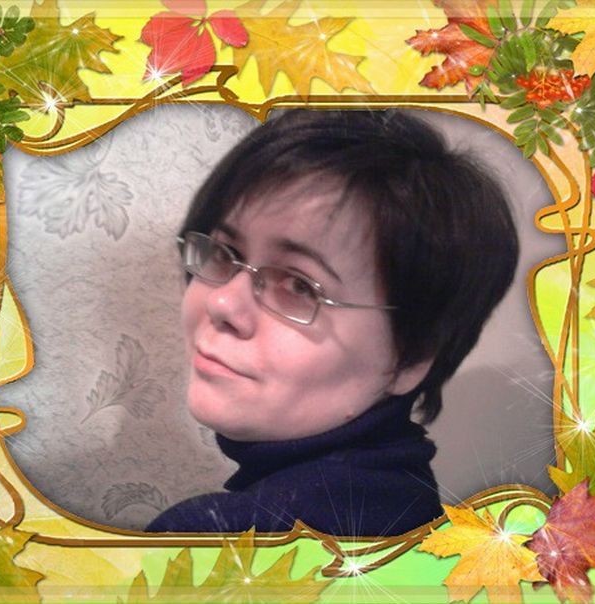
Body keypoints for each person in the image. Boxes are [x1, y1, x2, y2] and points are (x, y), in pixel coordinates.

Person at [144, 110, 519, 536]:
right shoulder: (405, 501)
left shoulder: (223, 539)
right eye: (224, 252)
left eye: (299, 285)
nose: (223, 302)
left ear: (410, 358)